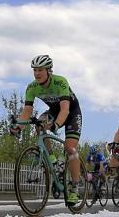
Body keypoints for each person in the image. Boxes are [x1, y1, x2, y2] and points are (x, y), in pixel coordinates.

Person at [11, 55, 83, 204]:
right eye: (35, 70)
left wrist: (56, 125)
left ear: (49, 70)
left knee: (70, 148)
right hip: (54, 112)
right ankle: (53, 161)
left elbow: (65, 109)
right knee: (39, 124)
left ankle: (75, 188)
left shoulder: (60, 82)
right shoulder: (32, 87)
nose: (37, 73)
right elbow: (27, 110)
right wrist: (18, 126)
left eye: (40, 70)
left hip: (71, 112)